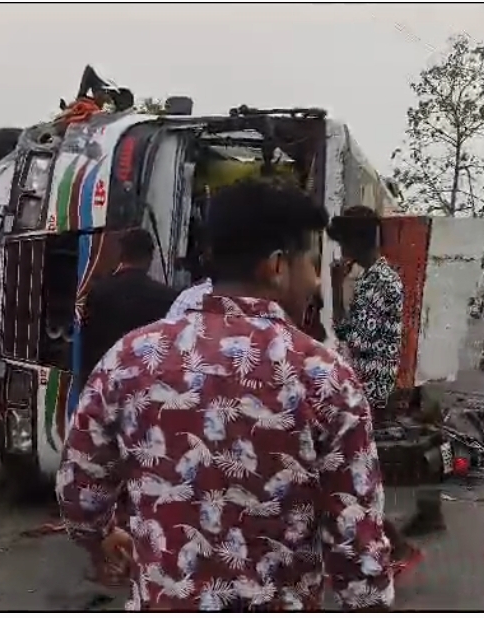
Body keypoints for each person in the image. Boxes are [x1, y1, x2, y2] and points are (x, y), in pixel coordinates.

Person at [57, 178, 393, 611]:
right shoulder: (324, 376)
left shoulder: (130, 358)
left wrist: (101, 535)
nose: (314, 280)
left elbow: (80, 493)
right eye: (311, 263)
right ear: (277, 266)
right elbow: (358, 546)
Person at [327, 205, 422, 577]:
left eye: (343, 243)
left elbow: (356, 340)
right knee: (355, 474)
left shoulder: (379, 282)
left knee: (356, 475)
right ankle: (387, 546)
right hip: (367, 386)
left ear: (353, 243)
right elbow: (345, 330)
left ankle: (397, 547)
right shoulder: (373, 278)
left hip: (370, 390)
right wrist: (338, 287)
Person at [78, 228, 178, 387]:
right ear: (150, 258)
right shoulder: (168, 298)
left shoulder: (99, 292)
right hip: (143, 390)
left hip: (103, 385)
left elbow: (86, 343)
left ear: (122, 254)